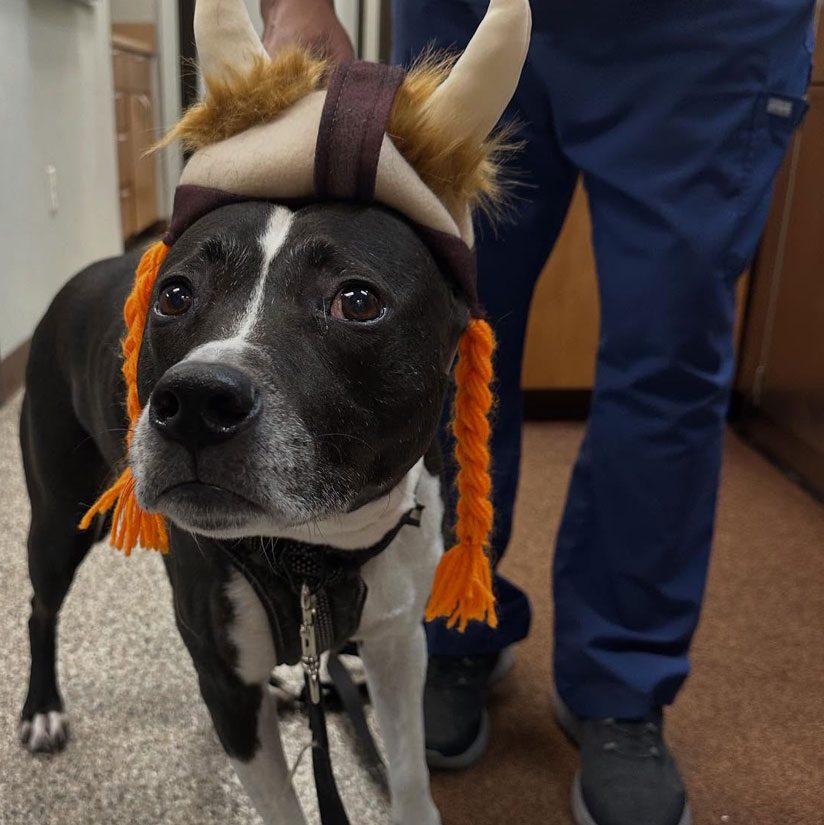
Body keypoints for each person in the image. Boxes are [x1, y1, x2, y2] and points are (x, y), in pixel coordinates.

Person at [260, 1, 816, 823]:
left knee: (670, 367)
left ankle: (624, 682)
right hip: (468, 10)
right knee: (446, 331)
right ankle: (455, 622)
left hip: (709, 28)